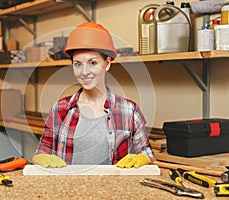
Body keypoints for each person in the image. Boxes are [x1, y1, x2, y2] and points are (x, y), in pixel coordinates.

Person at [32, 22, 155, 168]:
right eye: (78, 64)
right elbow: (44, 148)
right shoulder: (60, 109)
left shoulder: (129, 110)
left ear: (107, 63)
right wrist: (40, 157)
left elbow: (146, 153)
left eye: (93, 63)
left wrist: (144, 158)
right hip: (67, 188)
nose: (84, 72)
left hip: (115, 188)